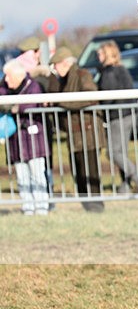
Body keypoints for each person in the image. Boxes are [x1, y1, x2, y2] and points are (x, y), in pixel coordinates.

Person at [51, 46, 105, 212]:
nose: (55, 68)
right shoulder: (63, 79)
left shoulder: (83, 75)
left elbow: (90, 97)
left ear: (66, 63)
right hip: (75, 133)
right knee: (78, 169)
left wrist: (63, 103)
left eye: (57, 64)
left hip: (88, 131)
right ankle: (87, 205)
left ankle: (95, 205)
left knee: (90, 169)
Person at [0, 58, 49, 215]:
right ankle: (28, 206)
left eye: (8, 76)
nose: (6, 79)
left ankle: (41, 206)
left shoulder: (33, 86)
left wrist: (13, 106)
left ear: (17, 75)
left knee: (37, 174)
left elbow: (29, 105)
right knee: (22, 175)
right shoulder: (5, 87)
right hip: (16, 140)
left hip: (34, 138)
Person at [16, 35, 59, 199]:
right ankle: (44, 197)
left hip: (39, 124)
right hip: (31, 125)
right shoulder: (35, 74)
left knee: (43, 162)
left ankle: (46, 197)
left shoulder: (19, 71)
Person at [96, 40, 138, 194]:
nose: (98, 56)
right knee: (121, 152)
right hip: (128, 114)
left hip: (119, 115)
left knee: (113, 152)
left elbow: (107, 96)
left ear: (108, 54)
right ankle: (126, 186)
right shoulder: (121, 69)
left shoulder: (109, 72)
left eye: (101, 53)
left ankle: (136, 176)